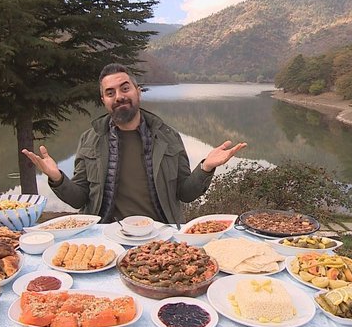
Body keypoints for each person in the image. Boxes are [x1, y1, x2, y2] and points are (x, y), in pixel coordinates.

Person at [22, 63, 246, 224]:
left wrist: (206, 167)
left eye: (125, 88)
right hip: (106, 237)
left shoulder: (168, 137)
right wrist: (57, 178)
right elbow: (80, 198)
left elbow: (185, 193)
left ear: (138, 91)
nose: (119, 96)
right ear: (104, 101)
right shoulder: (90, 139)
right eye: (110, 93)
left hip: (162, 235)